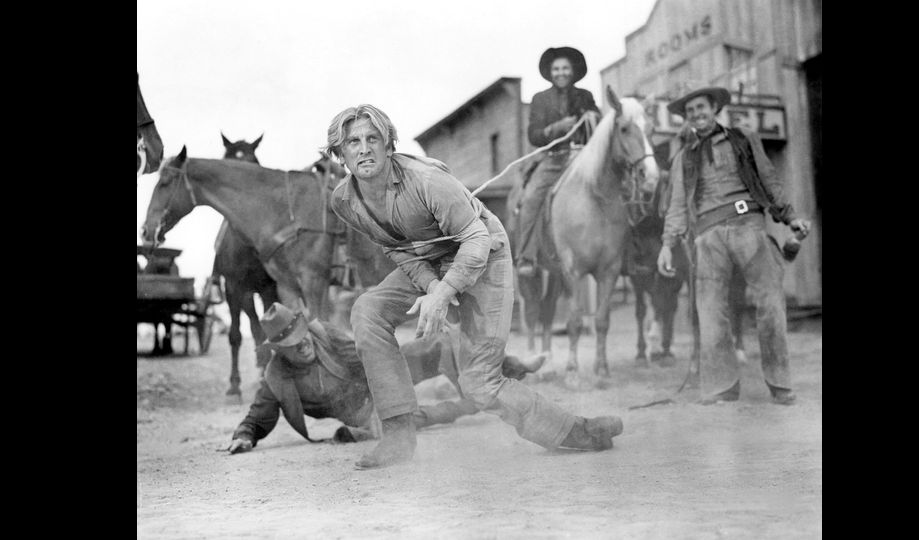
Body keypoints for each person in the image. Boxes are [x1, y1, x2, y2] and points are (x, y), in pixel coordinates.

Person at [325, 104, 623, 469]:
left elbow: (476, 239)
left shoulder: (427, 180)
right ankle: (398, 434)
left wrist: (443, 292)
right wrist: (432, 286)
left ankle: (578, 431)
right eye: (352, 142)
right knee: (367, 310)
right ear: (339, 153)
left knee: (478, 383)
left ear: (389, 145)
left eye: (373, 139)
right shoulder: (344, 200)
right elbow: (395, 248)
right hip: (431, 261)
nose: (364, 149)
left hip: (484, 254)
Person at [656, 82, 811, 406]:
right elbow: (678, 205)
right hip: (708, 237)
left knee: (771, 303)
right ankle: (720, 387)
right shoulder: (683, 157)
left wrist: (789, 216)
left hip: (748, 226)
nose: (696, 114)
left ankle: (780, 384)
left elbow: (768, 178)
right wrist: (668, 243)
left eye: (701, 107)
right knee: (710, 310)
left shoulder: (743, 138)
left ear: (715, 108)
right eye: (690, 110)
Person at [227, 302, 546, 454]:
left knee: (438, 344)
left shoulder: (323, 333)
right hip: (364, 415)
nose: (303, 344)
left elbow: (364, 354)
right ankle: (473, 404)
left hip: (375, 377)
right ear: (280, 351)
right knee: (415, 417)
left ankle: (513, 367)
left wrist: (392, 376)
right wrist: (244, 435)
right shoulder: (277, 378)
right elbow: (257, 416)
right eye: (293, 345)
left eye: (302, 334)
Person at [515, 46, 601, 277]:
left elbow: (599, 122)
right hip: (554, 159)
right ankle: (526, 256)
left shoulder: (585, 96)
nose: (561, 73)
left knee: (612, 187)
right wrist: (556, 128)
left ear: (572, 71)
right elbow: (533, 135)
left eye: (565, 68)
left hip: (582, 158)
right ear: (550, 72)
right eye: (556, 69)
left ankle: (627, 253)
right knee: (531, 198)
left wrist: (593, 117)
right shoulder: (540, 99)